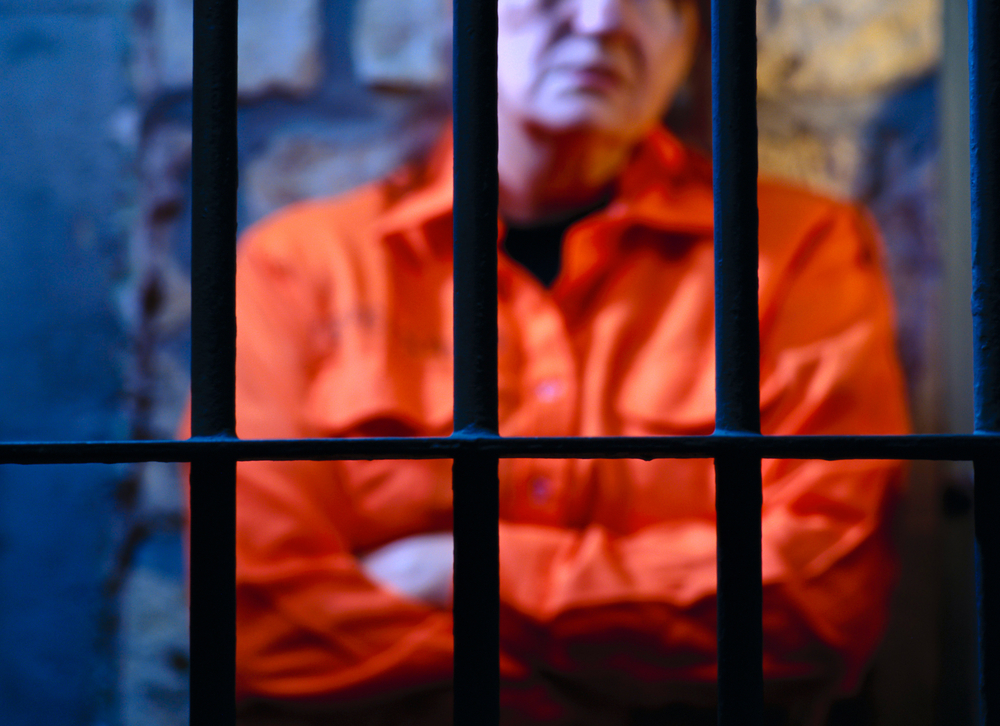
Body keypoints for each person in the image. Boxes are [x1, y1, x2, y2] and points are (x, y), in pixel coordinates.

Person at [206, 0, 911, 723]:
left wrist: (462, 573)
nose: (604, 19)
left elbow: (822, 605)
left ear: (690, 40)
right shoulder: (299, 271)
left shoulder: (793, 255)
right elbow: (256, 626)